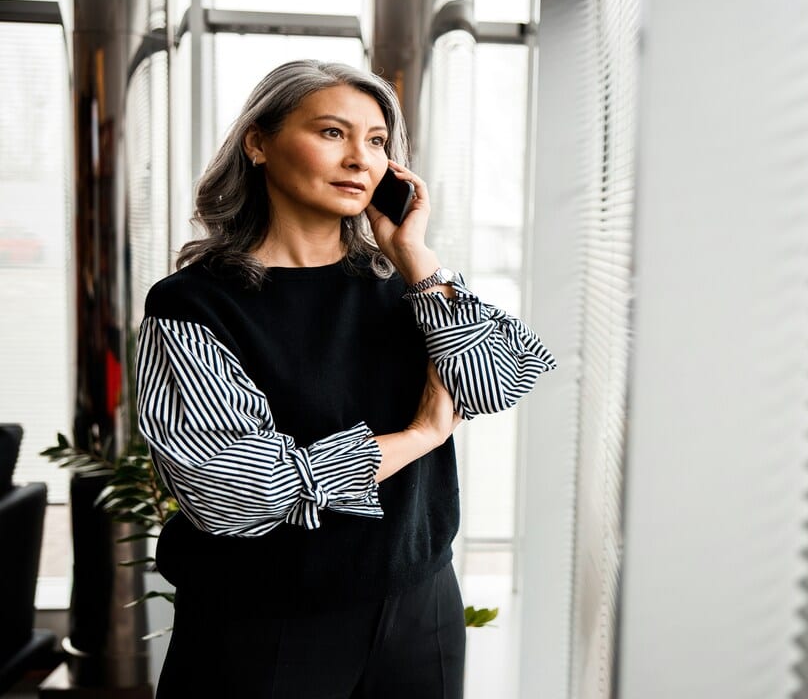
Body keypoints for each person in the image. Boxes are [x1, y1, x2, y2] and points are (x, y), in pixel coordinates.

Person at [134, 59, 556, 699]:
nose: (361, 159)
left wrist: (414, 254)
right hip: (264, 624)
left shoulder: (402, 284)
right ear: (258, 143)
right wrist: (417, 437)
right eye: (332, 133)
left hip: (422, 603)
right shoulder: (194, 304)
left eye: (378, 141)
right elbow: (232, 492)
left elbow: (497, 379)